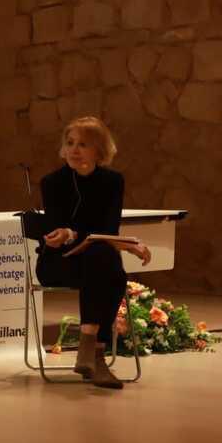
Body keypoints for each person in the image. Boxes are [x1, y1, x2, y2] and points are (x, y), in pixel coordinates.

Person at [37, 116, 151, 390]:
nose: (74, 150)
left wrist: (121, 242)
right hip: (59, 262)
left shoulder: (112, 181)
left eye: (83, 144)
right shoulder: (52, 182)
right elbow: (56, 226)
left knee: (103, 261)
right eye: (70, 143)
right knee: (111, 271)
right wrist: (66, 234)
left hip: (95, 261)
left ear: (99, 150)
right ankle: (95, 354)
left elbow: (108, 229)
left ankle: (91, 352)